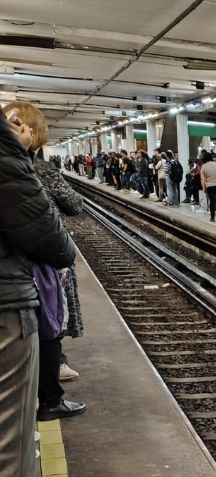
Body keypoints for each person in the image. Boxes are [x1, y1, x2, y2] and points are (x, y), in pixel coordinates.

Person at [0, 105, 77, 477]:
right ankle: (52, 395)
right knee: (11, 445)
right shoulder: (14, 159)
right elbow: (54, 238)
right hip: (9, 301)